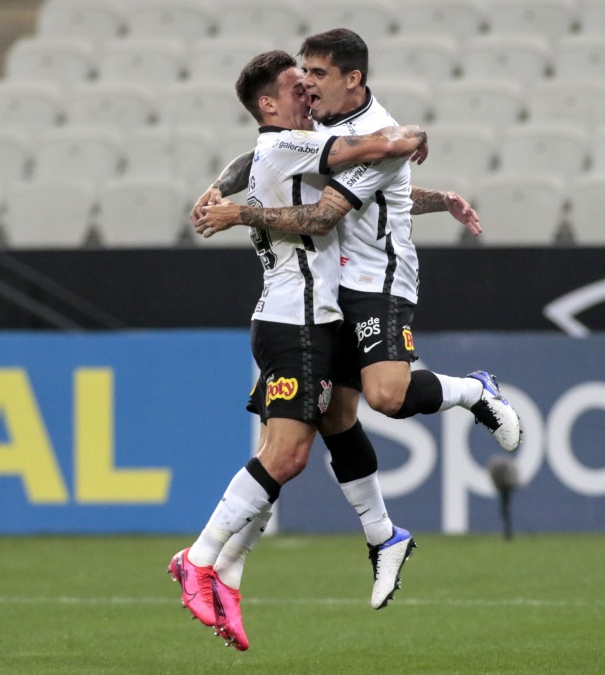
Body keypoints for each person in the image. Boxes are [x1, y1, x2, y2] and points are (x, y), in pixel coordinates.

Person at [168, 49, 429, 651]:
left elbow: (358, 185)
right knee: (284, 459)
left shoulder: (280, 149)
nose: (308, 93)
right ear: (268, 106)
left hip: (309, 319)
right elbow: (368, 149)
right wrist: (414, 133)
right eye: (295, 86)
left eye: (312, 82)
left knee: (313, 436)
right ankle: (201, 558)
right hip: (298, 323)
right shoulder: (289, 147)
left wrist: (226, 190)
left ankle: (231, 572)